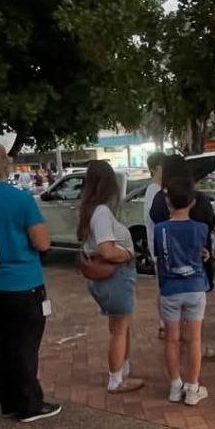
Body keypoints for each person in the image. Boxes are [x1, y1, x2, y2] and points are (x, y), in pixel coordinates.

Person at [0, 140, 60, 423]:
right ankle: (29, 404)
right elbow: (42, 243)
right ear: (5, 163)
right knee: (25, 345)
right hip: (23, 285)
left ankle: (9, 402)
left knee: (1, 343)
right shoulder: (21, 199)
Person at [77, 160, 143, 394]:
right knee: (119, 328)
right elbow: (106, 249)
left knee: (120, 327)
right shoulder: (102, 212)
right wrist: (127, 253)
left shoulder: (91, 210)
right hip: (115, 276)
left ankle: (122, 369)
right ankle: (116, 378)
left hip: (107, 278)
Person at [153, 177, 210, 406]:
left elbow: (160, 255)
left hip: (169, 289)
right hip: (195, 287)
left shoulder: (160, 229)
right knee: (194, 339)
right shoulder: (201, 228)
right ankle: (193, 387)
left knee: (171, 340)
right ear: (193, 202)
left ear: (167, 202)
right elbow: (199, 252)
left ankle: (175, 386)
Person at [150, 154, 215, 291]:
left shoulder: (160, 199)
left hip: (170, 273)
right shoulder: (200, 199)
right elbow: (210, 224)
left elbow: (155, 220)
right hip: (198, 271)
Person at [144, 151, 166, 338]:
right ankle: (163, 323)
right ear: (153, 169)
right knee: (164, 288)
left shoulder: (158, 189)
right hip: (159, 247)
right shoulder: (153, 191)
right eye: (161, 166)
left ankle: (165, 323)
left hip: (159, 246)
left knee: (164, 287)